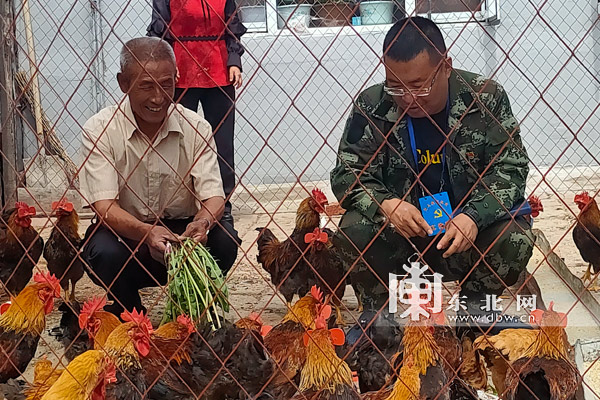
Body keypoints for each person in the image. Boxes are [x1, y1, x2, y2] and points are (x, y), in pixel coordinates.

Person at [330, 17, 534, 325]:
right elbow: (346, 173)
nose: (408, 98)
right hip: (402, 235)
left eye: (419, 85)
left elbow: (511, 168)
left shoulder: (485, 98)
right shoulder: (372, 105)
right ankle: (378, 319)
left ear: (446, 66)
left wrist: (474, 216)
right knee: (353, 229)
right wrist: (387, 204)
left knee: (513, 236)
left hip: (463, 234)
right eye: (395, 86)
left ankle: (475, 313)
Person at [79, 37, 241, 315]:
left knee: (224, 240)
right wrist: (145, 232)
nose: (158, 97)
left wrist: (201, 223)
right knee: (102, 252)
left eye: (166, 84)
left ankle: (191, 310)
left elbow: (214, 196)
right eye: (145, 85)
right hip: (130, 235)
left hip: (184, 235)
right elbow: (103, 207)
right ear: (123, 83)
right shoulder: (100, 129)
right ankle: (129, 311)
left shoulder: (196, 127)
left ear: (177, 79)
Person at [147, 0, 247, 224]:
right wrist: (166, 68)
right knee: (177, 140)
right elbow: (158, 33)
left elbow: (233, 26)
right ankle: (178, 204)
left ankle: (222, 205)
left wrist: (235, 61)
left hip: (220, 70)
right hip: (180, 73)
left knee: (222, 143)